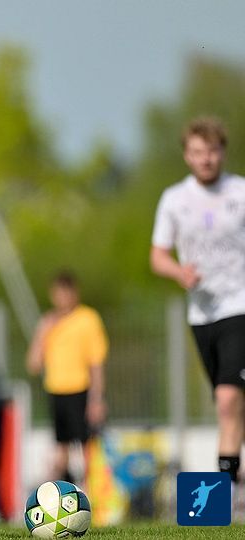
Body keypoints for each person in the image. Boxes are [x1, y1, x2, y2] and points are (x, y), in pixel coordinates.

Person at [151, 116, 245, 484]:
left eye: (212, 151)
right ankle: (235, 478)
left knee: (227, 400)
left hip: (239, 306)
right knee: (228, 406)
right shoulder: (174, 199)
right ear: (187, 156)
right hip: (201, 315)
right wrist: (180, 272)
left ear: (223, 152)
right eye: (198, 152)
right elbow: (158, 256)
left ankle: (226, 494)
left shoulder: (240, 192)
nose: (206, 159)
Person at [26, 271, 108, 484]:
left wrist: (97, 399)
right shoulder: (48, 323)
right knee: (61, 447)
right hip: (56, 391)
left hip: (80, 389)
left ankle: (93, 491)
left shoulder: (87, 319)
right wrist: (43, 332)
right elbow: (33, 364)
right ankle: (59, 490)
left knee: (87, 446)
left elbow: (96, 363)